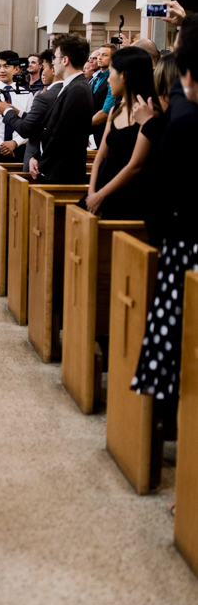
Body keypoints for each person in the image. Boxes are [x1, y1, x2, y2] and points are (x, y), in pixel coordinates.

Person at [130, 22, 198, 431]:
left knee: (178, 348)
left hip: (185, 247)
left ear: (186, 75)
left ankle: (171, 424)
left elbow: (161, 197)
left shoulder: (185, 122)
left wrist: (159, 241)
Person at [85, 47, 161, 219]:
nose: (109, 80)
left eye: (112, 73)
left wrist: (101, 194)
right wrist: (92, 191)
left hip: (124, 192)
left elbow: (136, 165)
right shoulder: (115, 110)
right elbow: (101, 156)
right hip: (101, 187)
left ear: (125, 75)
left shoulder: (150, 113)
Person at [34, 33, 92, 184]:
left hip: (63, 173)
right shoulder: (72, 86)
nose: (53, 63)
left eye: (55, 58)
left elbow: (61, 134)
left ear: (65, 60)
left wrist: (42, 164)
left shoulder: (77, 89)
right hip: (56, 169)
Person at [0, 48, 62, 172]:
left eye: (44, 68)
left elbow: (28, 128)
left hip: (39, 156)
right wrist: (19, 113)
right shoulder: (69, 90)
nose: (43, 72)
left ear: (53, 69)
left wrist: (6, 111)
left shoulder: (43, 96)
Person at [90, 43, 116, 147]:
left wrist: (83, 126)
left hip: (104, 132)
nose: (99, 58)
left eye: (104, 55)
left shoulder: (113, 79)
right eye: (99, 54)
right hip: (92, 132)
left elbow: (106, 112)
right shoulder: (96, 78)